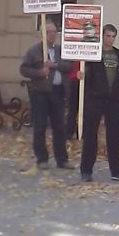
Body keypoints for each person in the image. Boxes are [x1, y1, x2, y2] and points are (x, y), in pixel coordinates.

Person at [20, 20, 75, 170]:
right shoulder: (34, 51)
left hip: (58, 91)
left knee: (59, 126)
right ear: (43, 34)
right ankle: (41, 158)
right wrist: (39, 73)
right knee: (40, 125)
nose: (52, 35)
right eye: (49, 32)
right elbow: (24, 69)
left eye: (54, 32)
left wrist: (54, 65)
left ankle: (62, 159)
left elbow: (69, 64)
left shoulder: (60, 50)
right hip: (40, 92)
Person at [80, 24, 119, 182]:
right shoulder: (93, 53)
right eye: (108, 36)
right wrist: (82, 75)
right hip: (94, 98)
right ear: (102, 36)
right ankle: (86, 170)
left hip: (112, 100)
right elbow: (86, 71)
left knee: (114, 135)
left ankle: (116, 171)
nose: (110, 39)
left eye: (113, 36)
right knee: (90, 135)